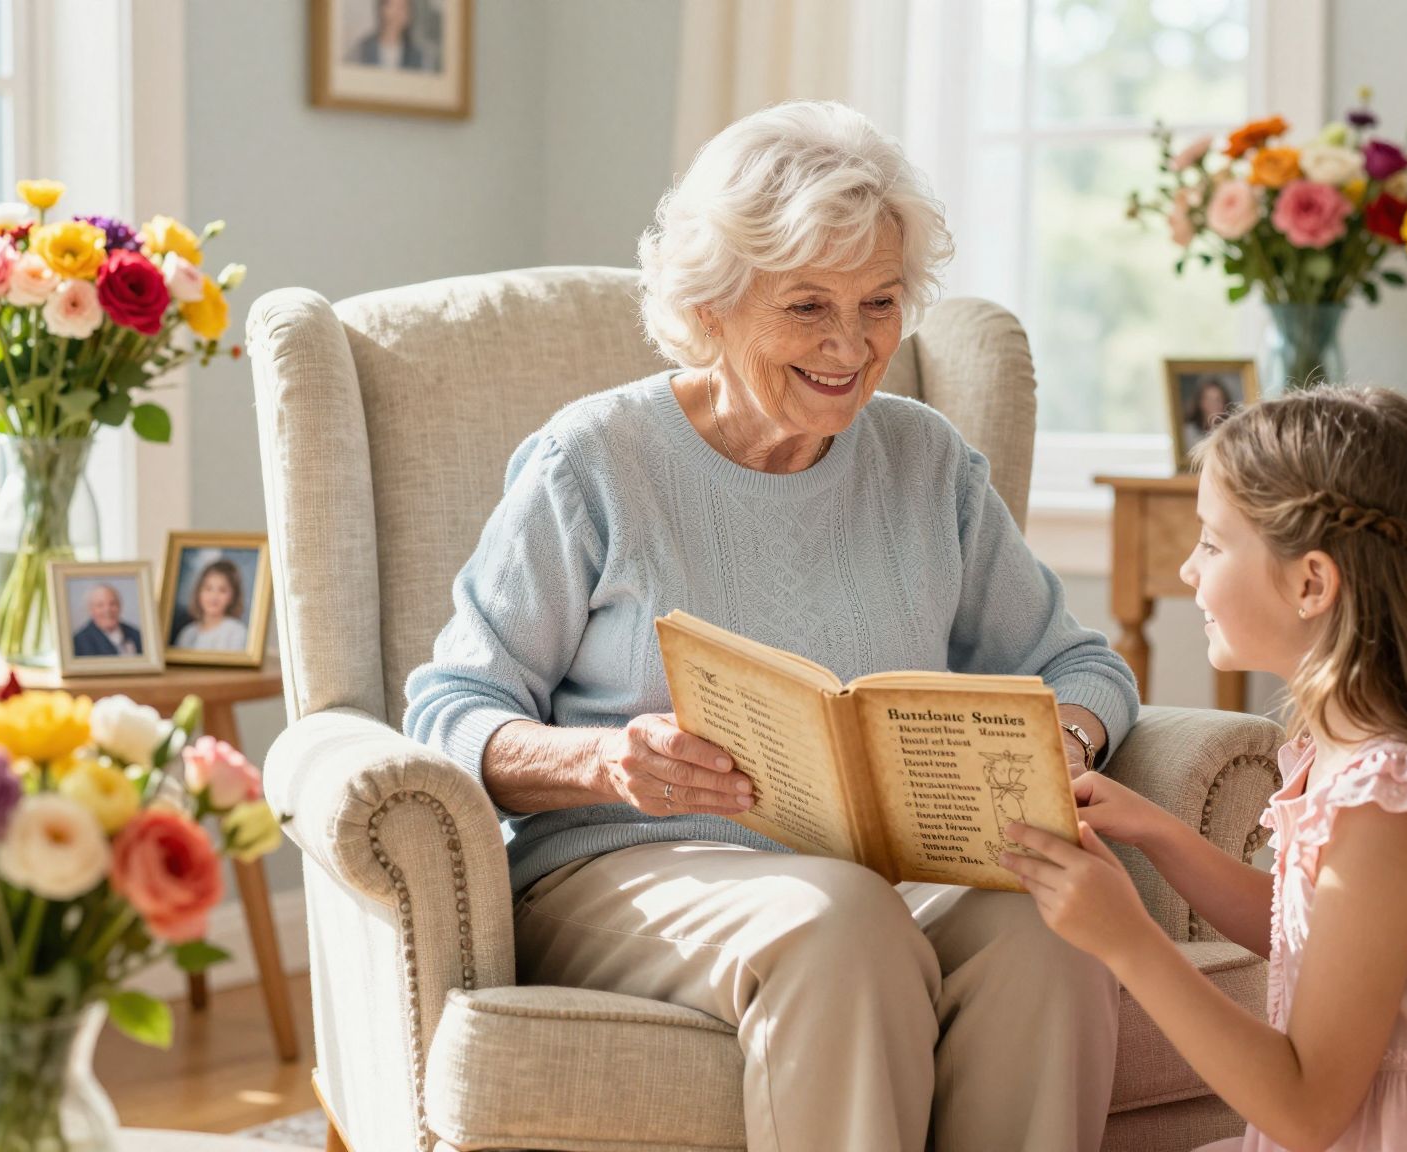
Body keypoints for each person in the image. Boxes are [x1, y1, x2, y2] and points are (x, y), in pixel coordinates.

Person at [402, 101, 1137, 1152]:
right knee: (838, 925)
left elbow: (1075, 662)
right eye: (806, 307)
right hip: (625, 871)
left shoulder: (924, 461)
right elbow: (448, 708)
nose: (851, 345)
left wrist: (1059, 738)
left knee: (1048, 930)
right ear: (710, 307)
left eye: (879, 302)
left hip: (880, 878)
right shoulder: (595, 462)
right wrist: (607, 761)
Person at [1001, 388, 1407, 1151]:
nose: (1189, 570)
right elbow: (1324, 944)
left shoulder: (1383, 806)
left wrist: (1128, 939)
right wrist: (1156, 831)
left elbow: (1306, 1109)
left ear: (1312, 583)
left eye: (1214, 545)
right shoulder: (1362, 752)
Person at [172, 558, 250, 651]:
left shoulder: (237, 632)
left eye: (222, 590)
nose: (214, 597)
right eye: (208, 588)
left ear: (233, 597)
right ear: (198, 592)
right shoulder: (187, 633)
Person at [347, 0, 439, 72]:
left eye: (404, 7)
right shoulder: (361, 51)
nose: (398, 13)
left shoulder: (421, 57)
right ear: (382, 9)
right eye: (394, 5)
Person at [71, 582, 142, 658]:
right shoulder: (79, 643)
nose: (107, 610)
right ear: (91, 610)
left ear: (120, 606)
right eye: (100, 605)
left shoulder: (137, 635)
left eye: (112, 604)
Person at [1181, 377, 1237, 450]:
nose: (1214, 404)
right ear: (1200, 403)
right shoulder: (1188, 432)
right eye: (1209, 399)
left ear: (1225, 402)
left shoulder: (1233, 430)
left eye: (1218, 399)